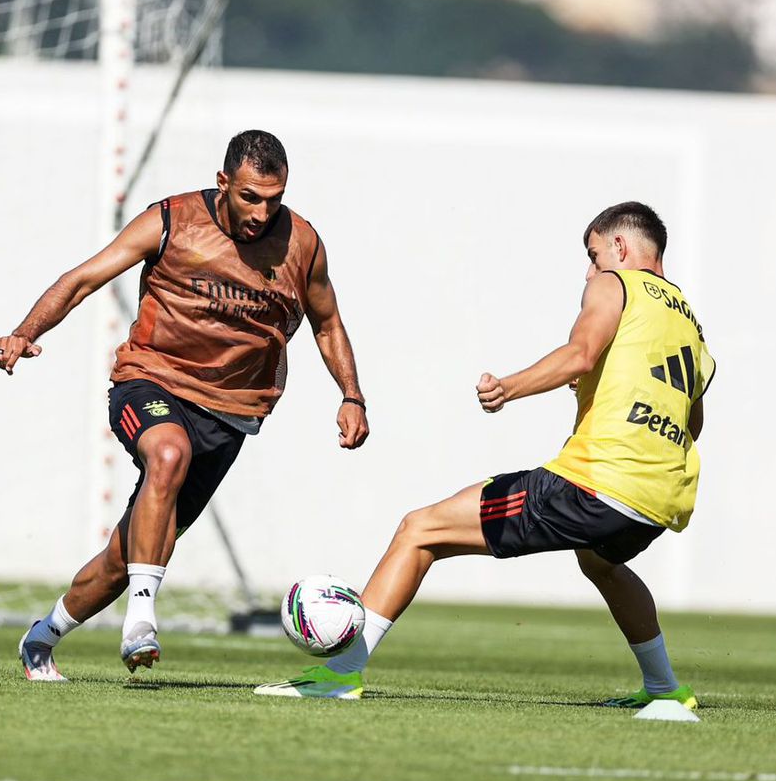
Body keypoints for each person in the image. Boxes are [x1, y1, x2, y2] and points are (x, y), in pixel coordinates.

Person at [255, 201, 714, 703]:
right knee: (600, 563)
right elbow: (691, 419)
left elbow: (580, 354)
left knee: (419, 528)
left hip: (596, 485)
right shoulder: (689, 322)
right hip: (657, 501)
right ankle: (666, 689)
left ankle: (341, 674)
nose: (589, 269)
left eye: (594, 254)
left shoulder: (613, 284)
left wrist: (509, 387)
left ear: (620, 248)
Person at [0, 130, 369, 681]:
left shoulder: (303, 244)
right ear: (224, 183)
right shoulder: (171, 221)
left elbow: (327, 321)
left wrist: (351, 395)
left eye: (274, 198)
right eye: (249, 197)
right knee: (167, 454)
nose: (262, 212)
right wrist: (25, 331)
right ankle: (140, 623)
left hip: (231, 414)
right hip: (150, 381)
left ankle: (42, 636)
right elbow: (82, 279)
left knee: (123, 561)